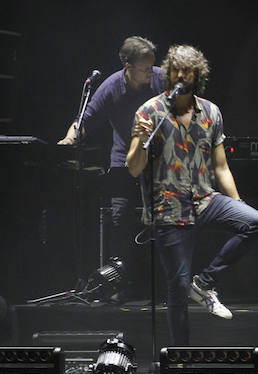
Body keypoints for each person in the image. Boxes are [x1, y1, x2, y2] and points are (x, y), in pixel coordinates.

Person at [126, 45, 258, 345]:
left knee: (257, 223)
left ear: (197, 75)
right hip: (168, 208)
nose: (181, 74)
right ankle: (181, 363)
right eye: (176, 69)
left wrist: (236, 203)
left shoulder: (211, 112)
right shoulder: (150, 111)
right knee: (176, 290)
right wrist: (141, 139)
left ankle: (204, 284)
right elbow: (134, 168)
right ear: (168, 73)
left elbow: (221, 167)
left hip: (205, 200)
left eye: (187, 70)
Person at [59, 36, 166, 300]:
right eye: (144, 68)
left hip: (162, 162)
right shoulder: (111, 87)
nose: (150, 73)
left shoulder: (162, 80)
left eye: (151, 67)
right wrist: (70, 138)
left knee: (169, 219)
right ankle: (121, 282)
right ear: (127, 66)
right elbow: (85, 118)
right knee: (120, 219)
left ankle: (167, 284)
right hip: (124, 162)